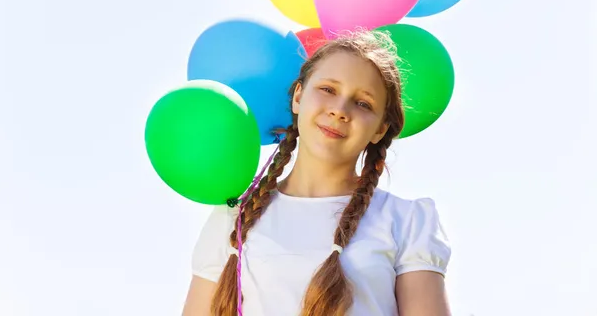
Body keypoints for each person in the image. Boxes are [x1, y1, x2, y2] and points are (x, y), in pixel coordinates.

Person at [182, 30, 452, 316]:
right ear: (299, 96)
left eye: (363, 104)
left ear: (380, 130)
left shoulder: (406, 220)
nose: (339, 110)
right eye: (328, 89)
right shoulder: (233, 219)